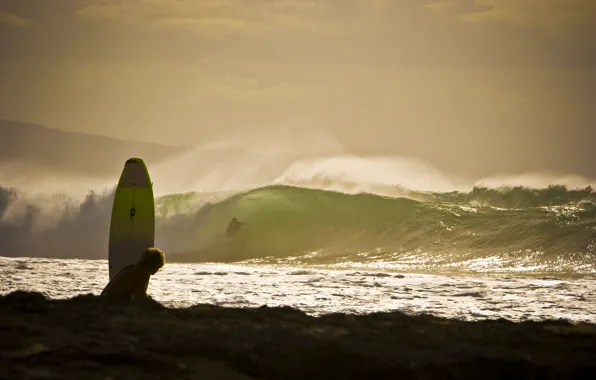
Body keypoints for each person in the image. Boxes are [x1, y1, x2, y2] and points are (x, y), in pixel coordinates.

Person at [101, 247, 165, 301]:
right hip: (110, 301)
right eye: (158, 267)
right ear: (154, 264)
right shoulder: (143, 272)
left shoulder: (133, 268)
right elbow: (140, 296)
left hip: (104, 299)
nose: (157, 270)